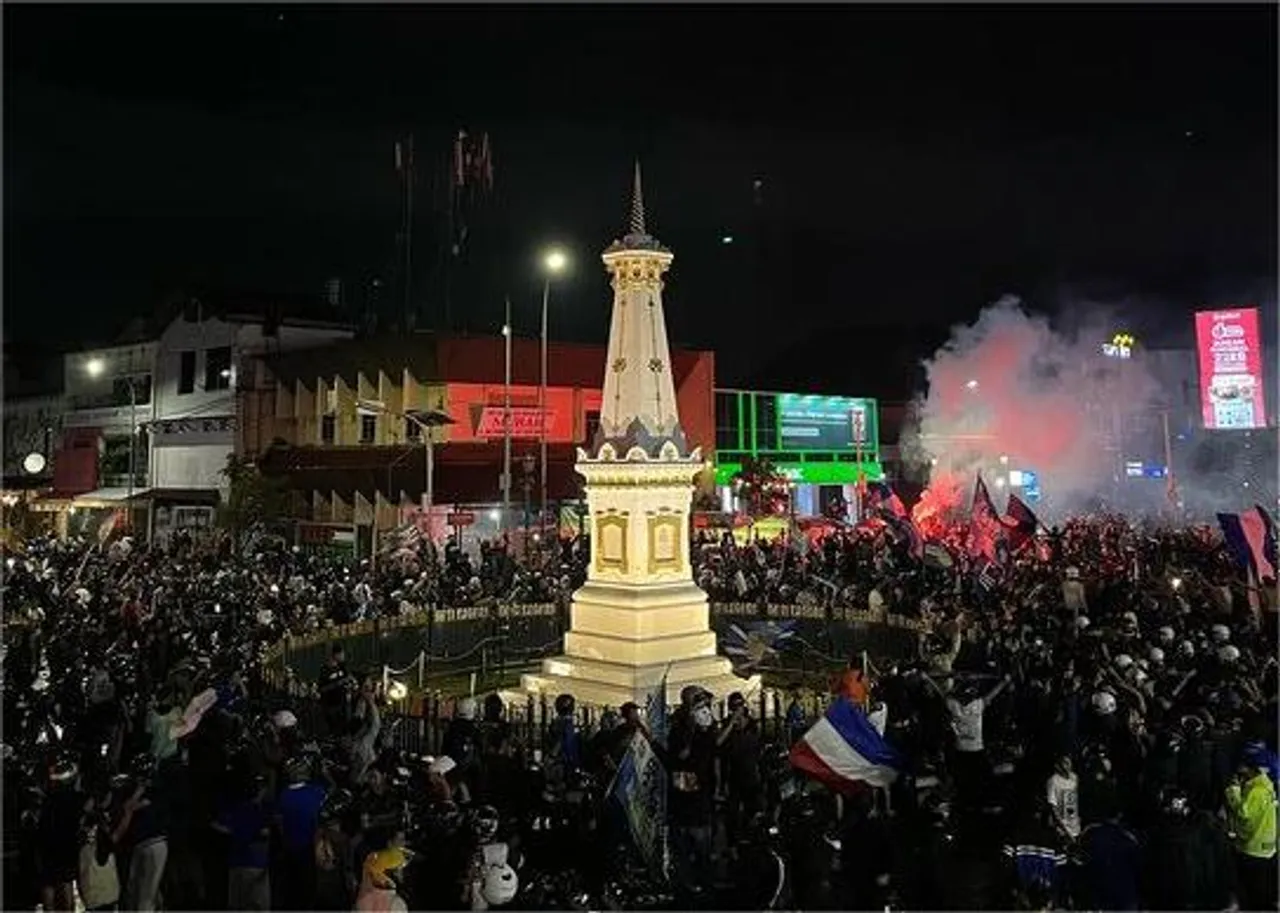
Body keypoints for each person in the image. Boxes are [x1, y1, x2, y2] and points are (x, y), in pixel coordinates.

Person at [667, 685, 718, 905]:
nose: (705, 711)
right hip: (687, 803)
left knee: (701, 849)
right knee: (688, 847)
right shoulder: (680, 731)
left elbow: (711, 758)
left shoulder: (705, 736)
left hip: (698, 801)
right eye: (699, 705)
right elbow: (677, 765)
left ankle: (703, 883)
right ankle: (689, 885)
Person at [1226, 745, 1278, 911]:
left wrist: (1233, 791)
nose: (1239, 770)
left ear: (1250, 768)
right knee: (1263, 886)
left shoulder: (1257, 790)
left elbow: (1243, 813)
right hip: (1265, 846)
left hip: (1253, 847)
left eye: (1242, 766)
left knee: (1254, 889)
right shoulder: (1264, 783)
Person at [214, 776, 273, 912]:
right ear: (262, 790)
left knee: (238, 906)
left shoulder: (235, 808)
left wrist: (233, 831)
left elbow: (217, 824)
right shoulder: (262, 811)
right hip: (256, 865)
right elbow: (266, 832)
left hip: (236, 864)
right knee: (258, 906)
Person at [1046, 754, 1081, 841]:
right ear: (1058, 766)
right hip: (1061, 830)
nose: (1068, 765)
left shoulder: (1074, 777)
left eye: (1069, 762)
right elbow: (1053, 808)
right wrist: (1065, 831)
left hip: (1075, 827)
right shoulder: (1053, 781)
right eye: (1065, 763)